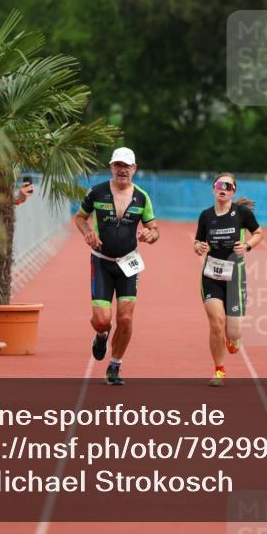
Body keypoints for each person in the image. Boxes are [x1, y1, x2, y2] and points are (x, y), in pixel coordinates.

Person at [73, 147, 159, 385]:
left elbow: (154, 228)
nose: (122, 170)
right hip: (101, 262)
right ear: (111, 167)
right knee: (102, 320)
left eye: (127, 166)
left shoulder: (142, 197)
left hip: (128, 264)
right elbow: (80, 218)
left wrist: (151, 235)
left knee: (126, 319)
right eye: (118, 165)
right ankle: (101, 335)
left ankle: (115, 365)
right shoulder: (97, 192)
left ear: (134, 169)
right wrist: (88, 233)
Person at [194, 174, 264, 386]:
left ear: (233, 191)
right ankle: (219, 371)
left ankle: (233, 339)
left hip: (235, 275)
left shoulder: (241, 213)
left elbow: (258, 233)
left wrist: (248, 245)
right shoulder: (206, 215)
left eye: (228, 186)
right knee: (217, 323)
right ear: (213, 189)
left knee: (233, 332)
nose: (222, 189)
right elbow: (198, 241)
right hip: (211, 274)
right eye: (219, 185)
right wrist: (198, 246)